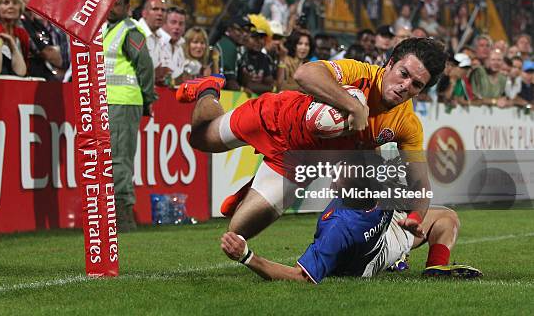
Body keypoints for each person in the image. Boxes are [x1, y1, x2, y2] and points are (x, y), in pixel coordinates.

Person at [176, 38, 447, 240]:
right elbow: (304, 74)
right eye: (403, 73)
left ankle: (249, 190)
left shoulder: (407, 124)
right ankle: (208, 89)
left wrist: (415, 216)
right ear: (389, 64)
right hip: (274, 117)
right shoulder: (359, 72)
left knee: (236, 234)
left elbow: (420, 181)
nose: (405, 86)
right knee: (200, 140)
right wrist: (354, 107)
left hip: (296, 163)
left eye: (416, 84)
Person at [221, 202, 482, 281]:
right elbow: (299, 277)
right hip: (375, 254)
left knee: (441, 215)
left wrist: (413, 216)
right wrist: (247, 256)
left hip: (380, 230)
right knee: (447, 218)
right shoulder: (339, 229)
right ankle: (413, 259)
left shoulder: (365, 189)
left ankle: (431, 264)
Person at [104, 0, 156, 232]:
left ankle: (123, 215)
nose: (111, 8)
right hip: (109, 101)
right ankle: (114, 212)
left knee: (119, 158)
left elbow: (145, 65)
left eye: (117, 4)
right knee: (112, 158)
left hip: (123, 101)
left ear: (126, 7)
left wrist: (148, 98)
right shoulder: (106, 31)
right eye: (108, 3)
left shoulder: (130, 30)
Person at [16, 0, 65, 81]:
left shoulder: (38, 24)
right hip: (28, 79)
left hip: (44, 79)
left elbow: (58, 59)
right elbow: (47, 53)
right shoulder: (19, 23)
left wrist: (49, 52)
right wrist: (48, 51)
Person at [0, 0, 31, 72]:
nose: (11, 6)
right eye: (6, 3)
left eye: (15, 3)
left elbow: (26, 62)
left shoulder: (22, 34)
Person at [137, 0, 168, 84]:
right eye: (155, 9)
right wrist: (153, 73)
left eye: (163, 10)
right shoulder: (135, 33)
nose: (160, 13)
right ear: (144, 13)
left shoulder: (162, 37)